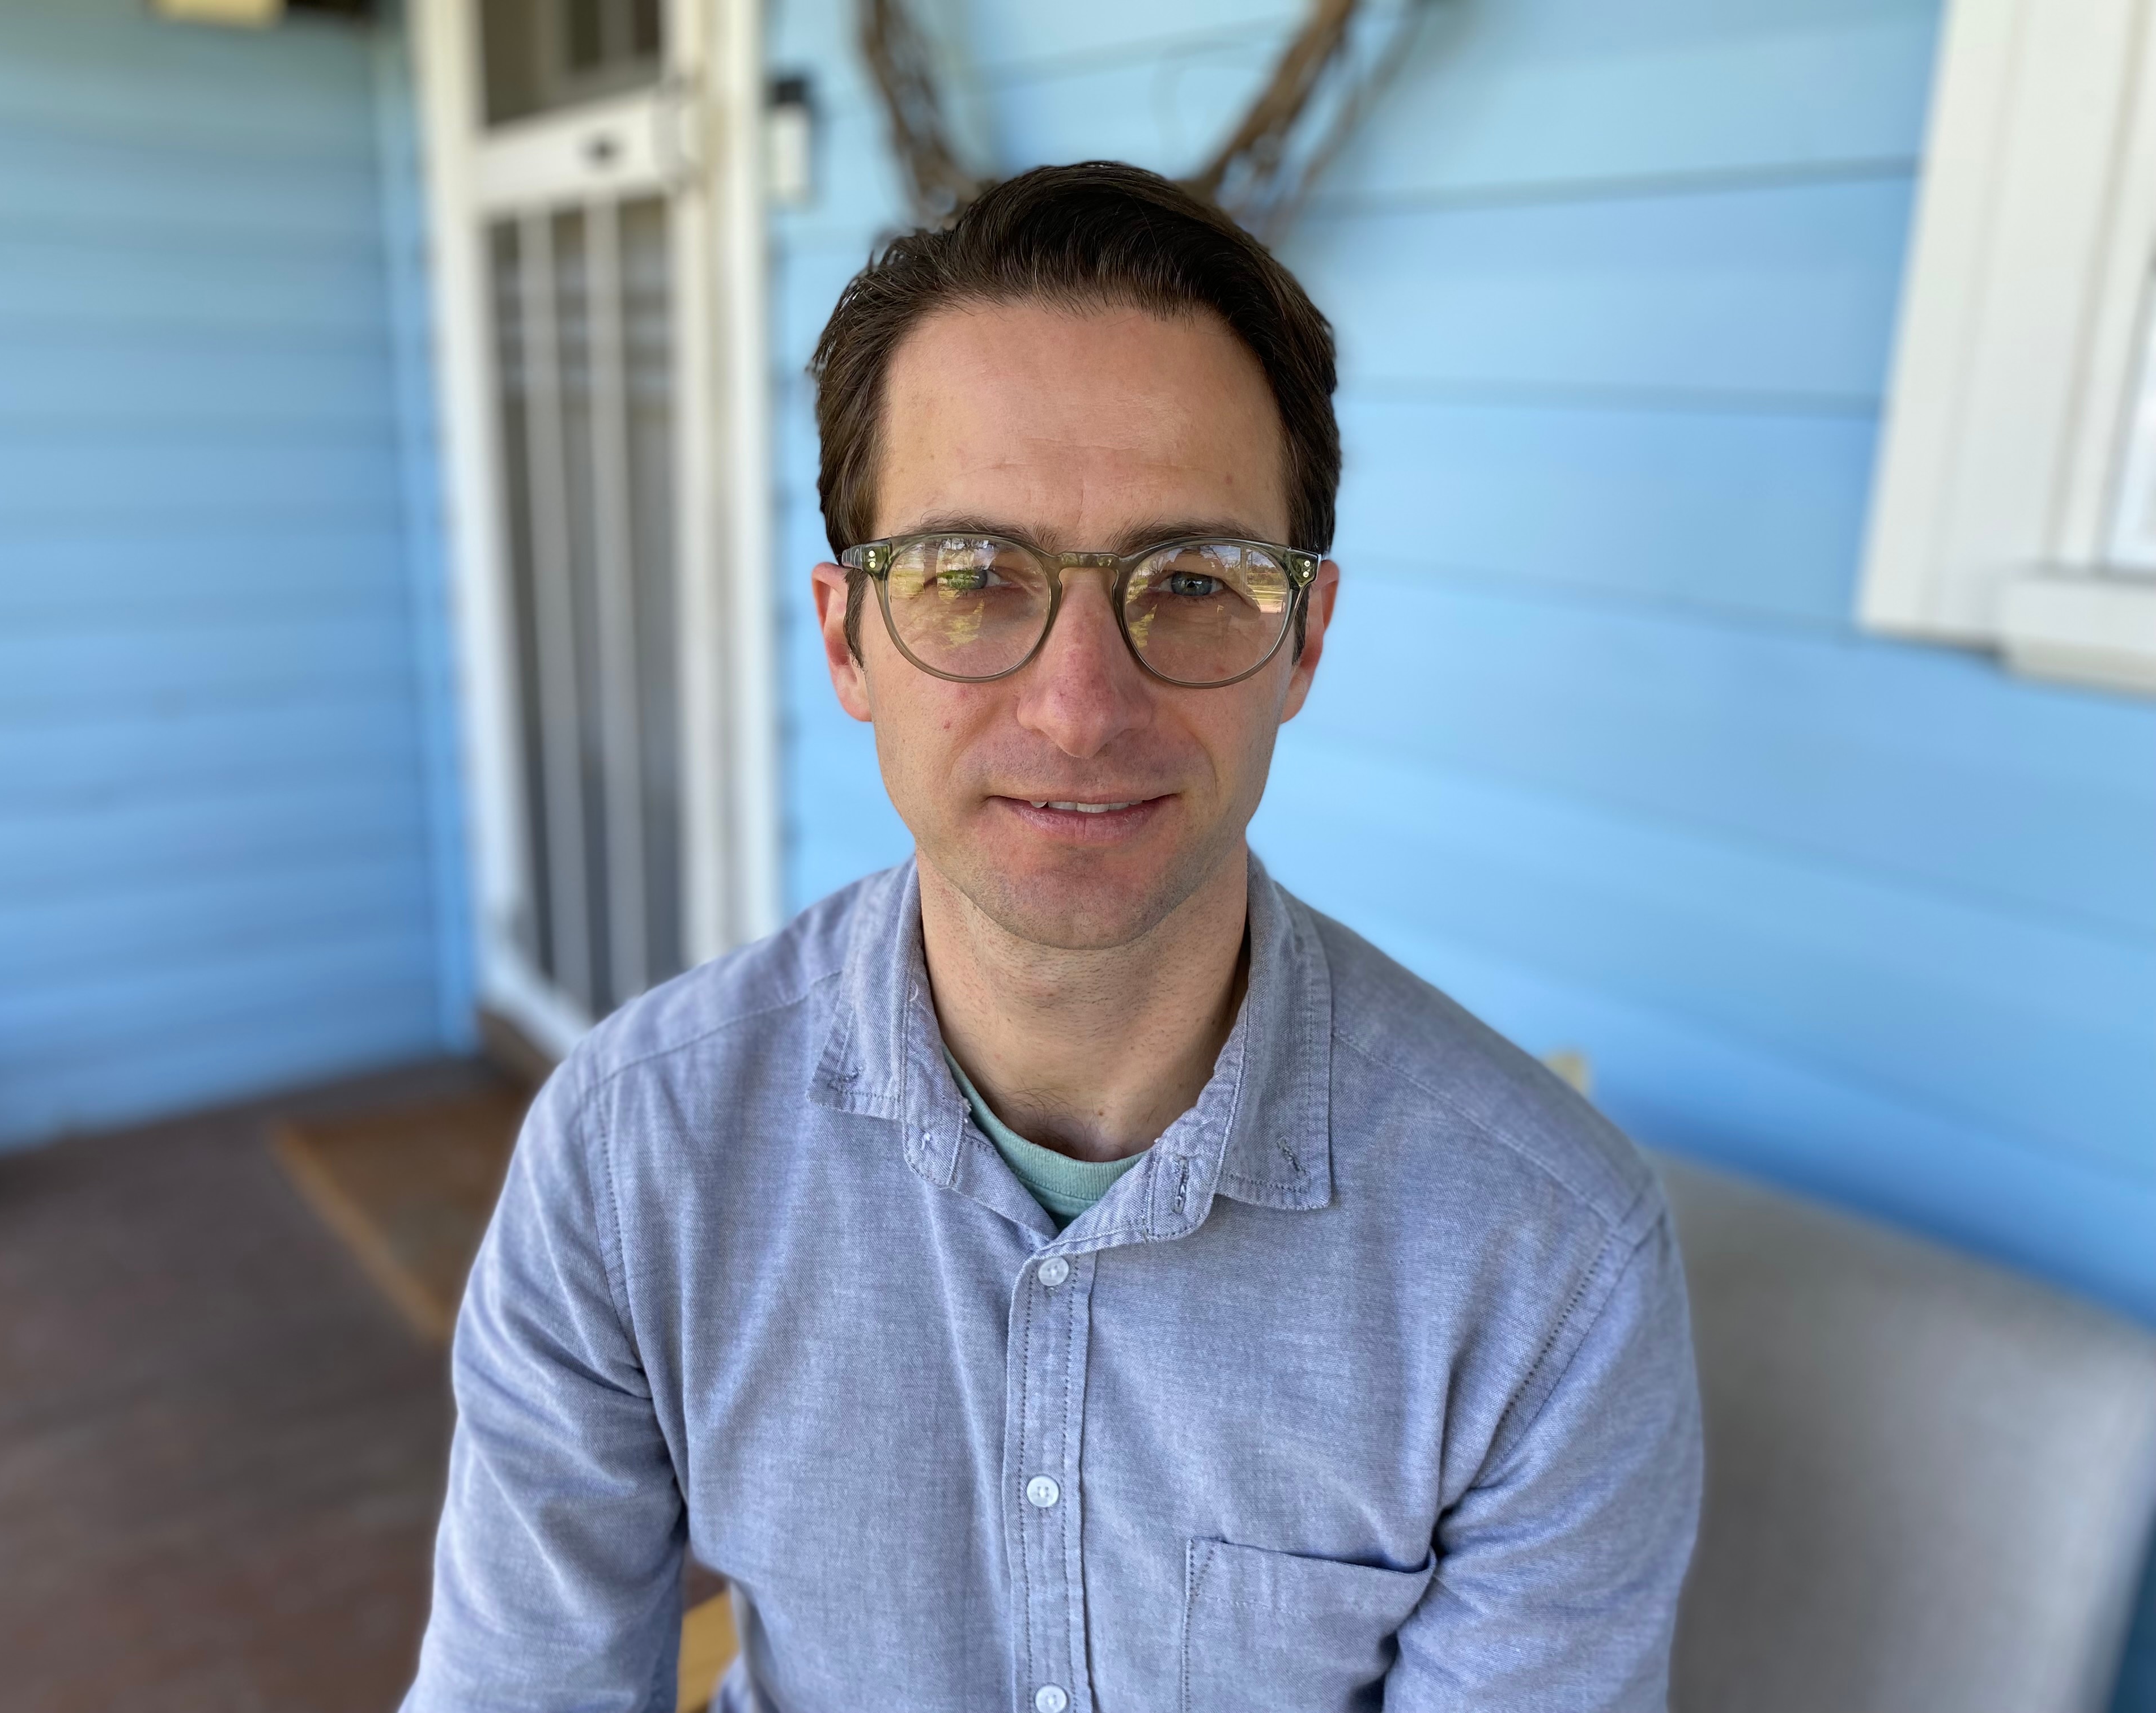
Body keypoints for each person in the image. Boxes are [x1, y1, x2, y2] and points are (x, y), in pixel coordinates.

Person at [402, 161, 1701, 1713]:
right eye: (969, 576)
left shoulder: (1547, 1259)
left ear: (1304, 641)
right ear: (846, 640)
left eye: (1196, 582)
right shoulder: (632, 1157)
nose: (1081, 707)